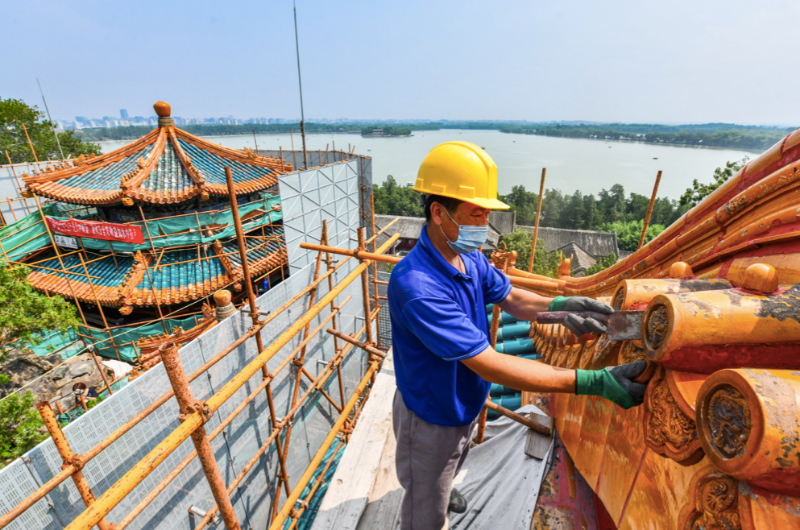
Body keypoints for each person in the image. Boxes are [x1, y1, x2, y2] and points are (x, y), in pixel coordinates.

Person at [388, 141, 647, 530]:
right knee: (425, 509)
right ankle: (430, 501)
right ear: (439, 212)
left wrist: (560, 306)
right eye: (476, 214)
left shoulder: (467, 255)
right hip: (431, 415)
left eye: (486, 213)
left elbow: (509, 296)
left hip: (463, 399)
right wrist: (591, 381)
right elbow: (489, 364)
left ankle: (442, 485)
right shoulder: (417, 286)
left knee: (454, 460)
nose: (484, 223)